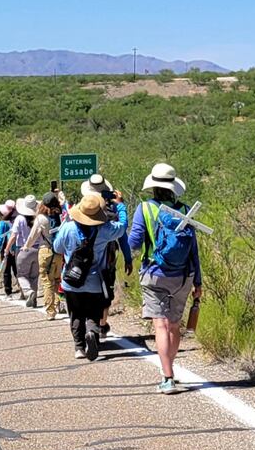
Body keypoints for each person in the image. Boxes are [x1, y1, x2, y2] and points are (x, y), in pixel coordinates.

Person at [128, 163, 203, 395]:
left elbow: (134, 242)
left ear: (153, 186)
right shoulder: (185, 210)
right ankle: (169, 370)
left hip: (154, 274)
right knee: (174, 325)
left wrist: (123, 255)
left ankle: (167, 376)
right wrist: (198, 281)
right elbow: (193, 249)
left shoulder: (145, 209)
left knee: (160, 325)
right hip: (183, 275)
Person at [53, 193, 128, 361]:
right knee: (94, 313)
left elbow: (57, 248)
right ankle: (92, 333)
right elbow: (122, 227)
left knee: (76, 314)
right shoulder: (105, 230)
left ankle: (79, 347)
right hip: (96, 281)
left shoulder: (68, 228)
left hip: (72, 281)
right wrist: (120, 206)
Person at [80, 174, 133, 337]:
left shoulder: (82, 208)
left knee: (84, 287)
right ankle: (101, 324)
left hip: (84, 255)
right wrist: (128, 258)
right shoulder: (114, 210)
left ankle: (88, 325)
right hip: (108, 255)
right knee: (106, 288)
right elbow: (123, 233)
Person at [28, 196, 63, 319]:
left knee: (47, 282)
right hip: (58, 251)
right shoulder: (59, 216)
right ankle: (59, 304)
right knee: (57, 279)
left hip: (45, 250)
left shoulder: (41, 219)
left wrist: (26, 246)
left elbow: (33, 236)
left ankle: (50, 311)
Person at [10, 196, 41, 306]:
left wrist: (7, 247)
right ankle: (34, 300)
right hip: (38, 249)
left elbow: (14, 235)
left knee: (22, 275)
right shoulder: (39, 218)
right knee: (34, 276)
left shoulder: (19, 219)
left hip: (24, 249)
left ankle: (28, 291)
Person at [0, 200, 18, 297]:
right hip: (17, 247)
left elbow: (0, 238)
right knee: (17, 269)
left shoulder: (3, 222)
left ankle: (8, 292)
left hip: (6, 247)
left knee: (6, 270)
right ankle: (23, 289)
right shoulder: (19, 219)